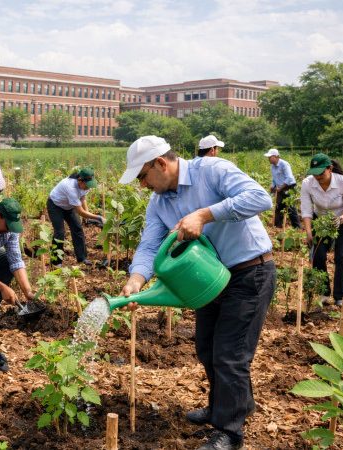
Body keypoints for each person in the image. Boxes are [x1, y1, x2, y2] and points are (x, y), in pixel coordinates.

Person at [118, 136, 274, 450]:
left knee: (230, 355)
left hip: (248, 271)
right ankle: (227, 406)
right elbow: (149, 246)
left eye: (143, 176)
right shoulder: (158, 203)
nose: (142, 184)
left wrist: (204, 215)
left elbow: (260, 199)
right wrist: (136, 280)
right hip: (207, 278)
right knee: (207, 348)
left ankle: (228, 432)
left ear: (160, 163)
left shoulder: (212, 170)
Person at [300, 153, 343, 307]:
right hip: (321, 221)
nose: (318, 177)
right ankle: (324, 293)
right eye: (315, 173)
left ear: (330, 169)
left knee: (341, 256)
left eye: (321, 173)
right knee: (317, 254)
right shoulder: (307, 183)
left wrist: (341, 219)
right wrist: (308, 232)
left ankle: (340, 296)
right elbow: (306, 210)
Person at [47, 168, 104, 267]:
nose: (88, 188)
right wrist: (99, 218)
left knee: (77, 229)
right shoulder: (70, 187)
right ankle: (56, 263)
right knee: (59, 232)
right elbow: (80, 212)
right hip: (55, 205)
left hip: (69, 206)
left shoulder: (85, 186)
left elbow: (83, 198)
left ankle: (82, 258)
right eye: (87, 185)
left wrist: (88, 213)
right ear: (80, 180)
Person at [264, 148, 300, 228]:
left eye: (270, 157)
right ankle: (278, 227)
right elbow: (274, 179)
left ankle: (297, 227)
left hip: (289, 186)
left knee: (290, 207)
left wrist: (281, 187)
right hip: (280, 187)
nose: (268, 159)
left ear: (276, 156)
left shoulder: (284, 164)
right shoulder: (272, 167)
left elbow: (289, 178)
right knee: (278, 207)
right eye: (268, 157)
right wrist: (272, 185)